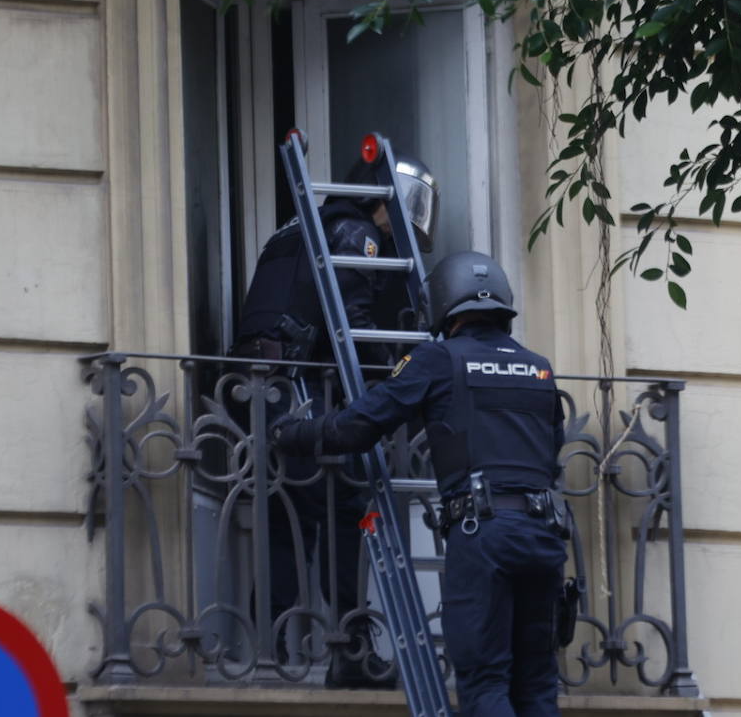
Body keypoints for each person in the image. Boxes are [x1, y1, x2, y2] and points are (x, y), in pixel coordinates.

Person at [272, 250, 567, 717]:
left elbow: (361, 424)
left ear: (444, 305)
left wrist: (293, 434)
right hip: (545, 537)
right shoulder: (539, 369)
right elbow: (553, 452)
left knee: (485, 683)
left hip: (485, 535)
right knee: (536, 686)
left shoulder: (437, 358)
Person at [231, 150, 438, 689]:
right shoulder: (354, 234)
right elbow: (354, 326)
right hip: (298, 384)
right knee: (346, 501)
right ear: (382, 196)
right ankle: (351, 647)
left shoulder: (296, 226)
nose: (399, 231)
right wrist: (401, 380)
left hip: (257, 386)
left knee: (283, 511)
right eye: (401, 211)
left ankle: (269, 646)